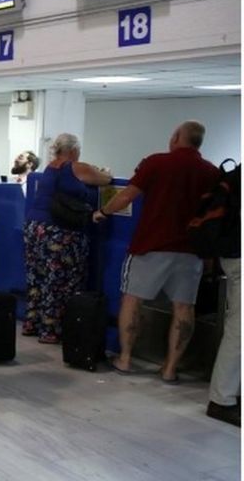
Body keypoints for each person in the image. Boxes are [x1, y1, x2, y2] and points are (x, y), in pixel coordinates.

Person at [95, 121, 220, 381]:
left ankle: (126, 359)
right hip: (191, 250)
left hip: (150, 246)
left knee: (132, 300)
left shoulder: (156, 163)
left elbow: (127, 196)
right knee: (185, 308)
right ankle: (170, 369)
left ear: (176, 137)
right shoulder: (211, 171)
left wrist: (103, 212)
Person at [23, 134, 111, 344]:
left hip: (35, 226)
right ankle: (51, 330)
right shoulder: (75, 166)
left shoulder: (50, 167)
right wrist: (105, 171)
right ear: (72, 151)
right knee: (60, 281)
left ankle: (32, 322)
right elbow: (105, 179)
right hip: (60, 230)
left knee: (38, 277)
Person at [208, 161, 240, 426]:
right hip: (239, 256)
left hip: (232, 254)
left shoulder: (235, 176)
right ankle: (222, 399)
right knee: (239, 329)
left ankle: (228, 394)